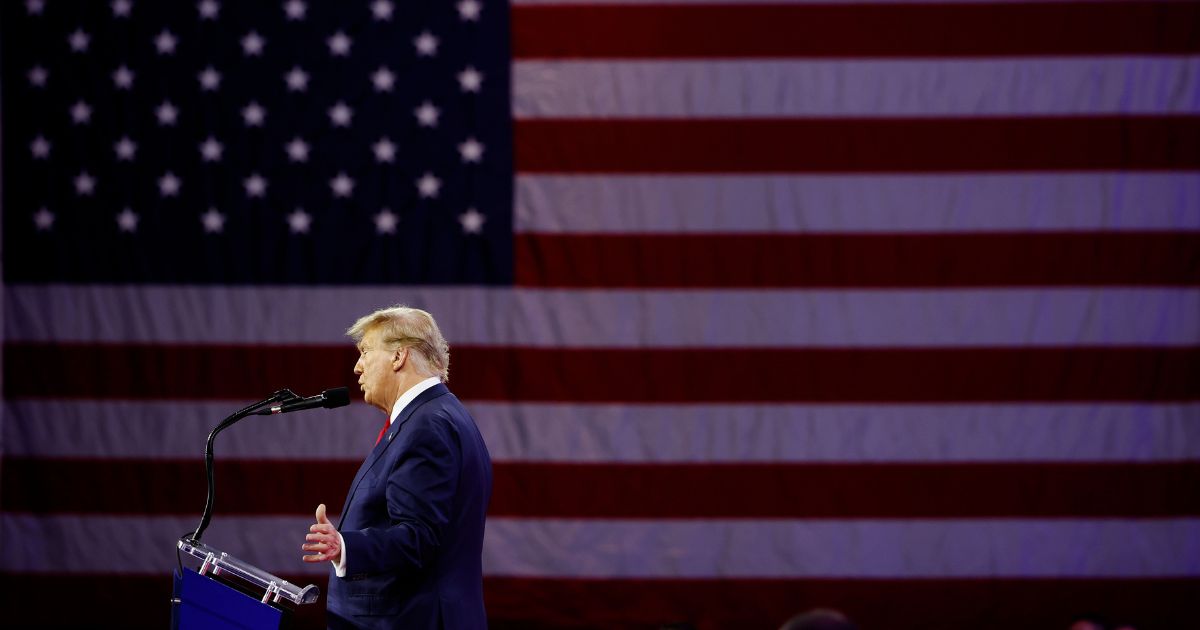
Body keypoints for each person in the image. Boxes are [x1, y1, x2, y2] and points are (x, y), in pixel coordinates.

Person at [301, 305, 493, 629]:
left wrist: (345, 545)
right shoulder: (439, 416)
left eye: (364, 352)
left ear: (398, 356)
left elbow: (419, 537)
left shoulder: (428, 426)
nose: (357, 368)